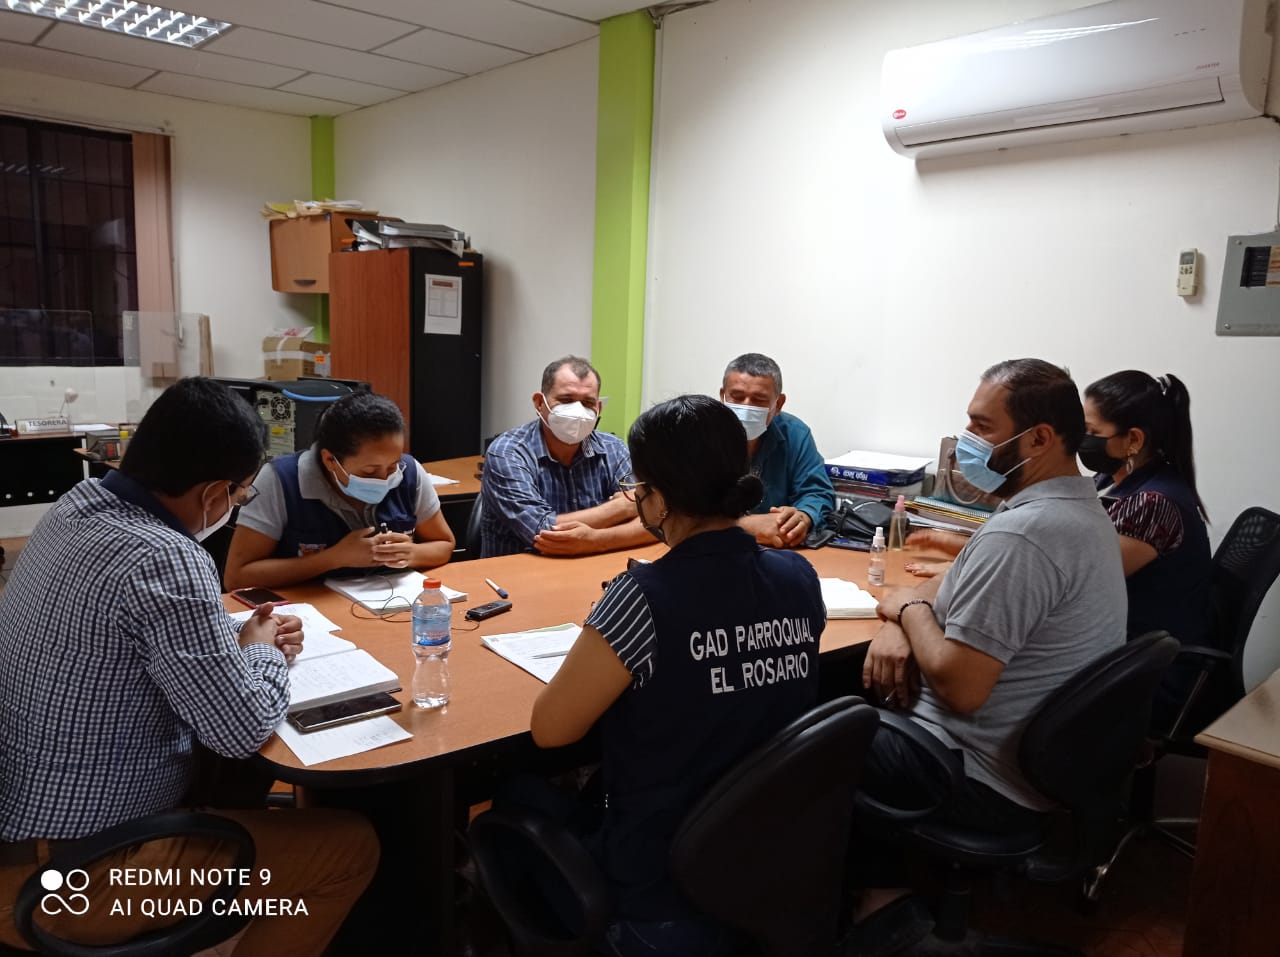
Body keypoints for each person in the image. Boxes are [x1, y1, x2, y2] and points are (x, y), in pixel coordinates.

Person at [0, 378, 377, 956]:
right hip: (70, 882)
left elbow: (130, 624)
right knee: (346, 849)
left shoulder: (76, 506)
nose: (236, 506)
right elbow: (240, 730)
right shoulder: (167, 556)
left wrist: (235, 637)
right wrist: (264, 652)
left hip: (24, 835)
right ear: (213, 494)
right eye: (241, 495)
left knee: (237, 785)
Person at [525, 394, 827, 956]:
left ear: (659, 500)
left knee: (521, 794)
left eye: (639, 489)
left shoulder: (641, 596)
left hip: (659, 877)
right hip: (762, 853)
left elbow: (551, 731)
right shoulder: (798, 576)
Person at [845, 359, 1127, 952]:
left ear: (1040, 439)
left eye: (982, 426)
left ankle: (874, 907)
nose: (967, 440)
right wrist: (903, 617)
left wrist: (907, 612)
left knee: (811, 727)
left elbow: (961, 687)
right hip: (1036, 764)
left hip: (975, 773)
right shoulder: (1069, 507)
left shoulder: (1025, 533)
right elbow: (945, 584)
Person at [1082, 370, 1211, 732]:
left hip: (1144, 671)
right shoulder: (1113, 479)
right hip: (1117, 646)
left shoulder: (1153, 503)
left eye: (1091, 432)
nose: (1080, 440)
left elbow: (1085, 581)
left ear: (1133, 440)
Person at [225, 391, 454, 589]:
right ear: (330, 460)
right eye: (370, 471)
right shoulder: (280, 480)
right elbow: (237, 577)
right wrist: (333, 559)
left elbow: (444, 544)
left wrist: (411, 553)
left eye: (392, 466)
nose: (385, 479)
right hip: (308, 610)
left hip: (390, 602)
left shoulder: (410, 472)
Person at [479, 355, 650, 558]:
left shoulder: (613, 448)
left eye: (587, 403)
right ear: (539, 403)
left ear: (598, 408)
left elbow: (656, 520)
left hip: (593, 564)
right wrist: (623, 507)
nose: (577, 411)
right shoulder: (507, 452)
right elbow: (543, 530)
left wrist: (596, 541)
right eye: (566, 400)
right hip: (518, 572)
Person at [719, 353, 834, 548]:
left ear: (778, 404)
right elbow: (680, 510)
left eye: (758, 399)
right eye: (737, 397)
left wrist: (803, 517)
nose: (746, 406)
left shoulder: (795, 434)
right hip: (712, 546)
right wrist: (745, 526)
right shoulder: (700, 434)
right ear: (722, 396)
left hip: (775, 548)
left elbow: (816, 492)